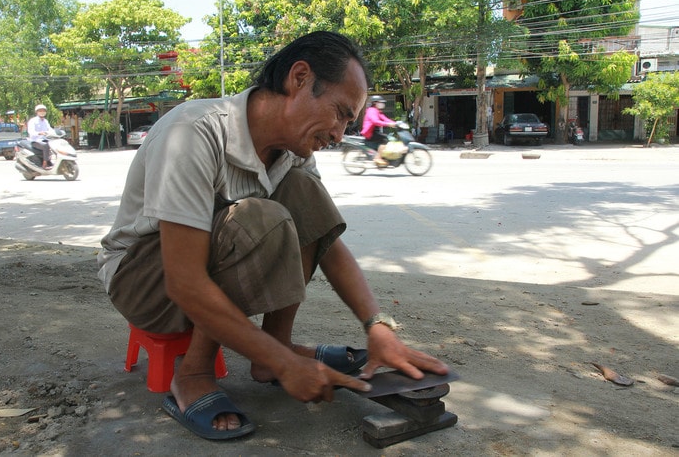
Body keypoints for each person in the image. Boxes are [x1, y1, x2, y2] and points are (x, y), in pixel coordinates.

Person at [97, 31, 449, 441]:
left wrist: (377, 327)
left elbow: (327, 243)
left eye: (348, 122)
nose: (338, 134)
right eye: (338, 112)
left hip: (195, 275)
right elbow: (184, 281)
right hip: (143, 283)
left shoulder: (295, 154)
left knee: (303, 193)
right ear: (299, 78)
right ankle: (192, 374)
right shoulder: (195, 131)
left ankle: (271, 349)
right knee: (259, 218)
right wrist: (288, 365)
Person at [360, 95, 397, 166]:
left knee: (388, 138)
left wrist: (396, 124)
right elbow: (375, 121)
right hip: (370, 133)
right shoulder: (371, 110)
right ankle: (378, 158)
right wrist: (388, 124)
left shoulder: (377, 111)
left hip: (374, 131)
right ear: (375, 103)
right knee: (385, 139)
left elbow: (385, 118)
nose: (382, 104)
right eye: (380, 102)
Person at [27, 104, 53, 169]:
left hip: (45, 140)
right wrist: (40, 133)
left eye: (43, 111)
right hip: (36, 141)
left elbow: (50, 129)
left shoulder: (46, 121)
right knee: (46, 146)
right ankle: (45, 164)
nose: (42, 112)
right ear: (37, 112)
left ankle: (50, 161)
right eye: (40, 111)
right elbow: (31, 132)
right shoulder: (33, 121)